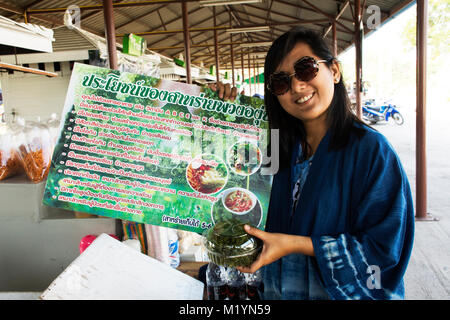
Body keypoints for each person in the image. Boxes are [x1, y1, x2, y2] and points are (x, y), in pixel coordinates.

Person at [217, 27, 414, 300]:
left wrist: (297, 245)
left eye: (306, 69)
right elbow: (231, 185)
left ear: (334, 70)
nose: (297, 86)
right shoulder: (275, 147)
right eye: (281, 82)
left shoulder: (371, 151)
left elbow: (385, 247)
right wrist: (218, 109)